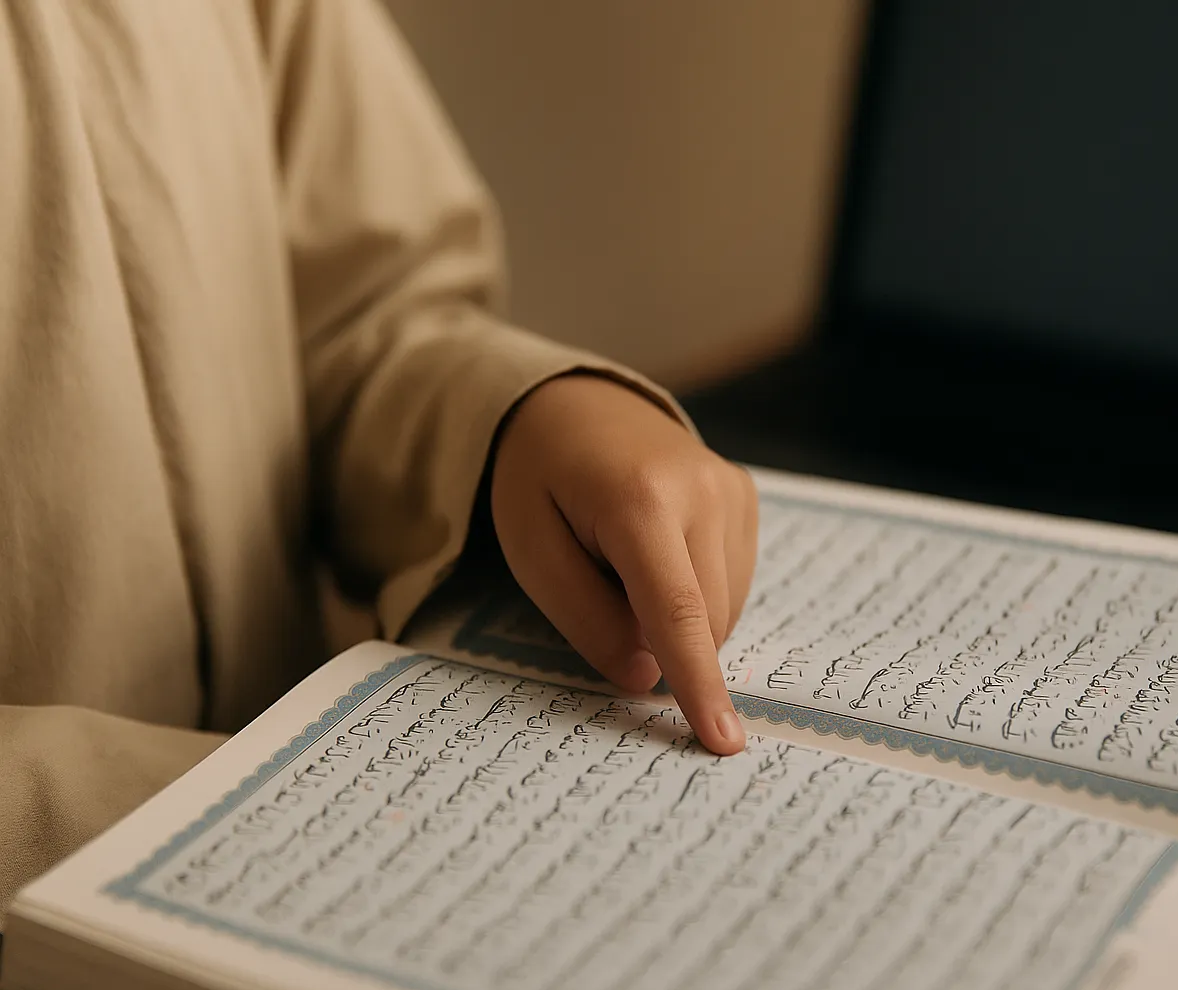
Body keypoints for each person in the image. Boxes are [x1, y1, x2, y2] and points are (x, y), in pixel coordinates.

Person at [0, 0, 758, 921]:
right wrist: (201, 811)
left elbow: (361, 318)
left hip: (332, 848)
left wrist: (514, 418)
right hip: (142, 894)